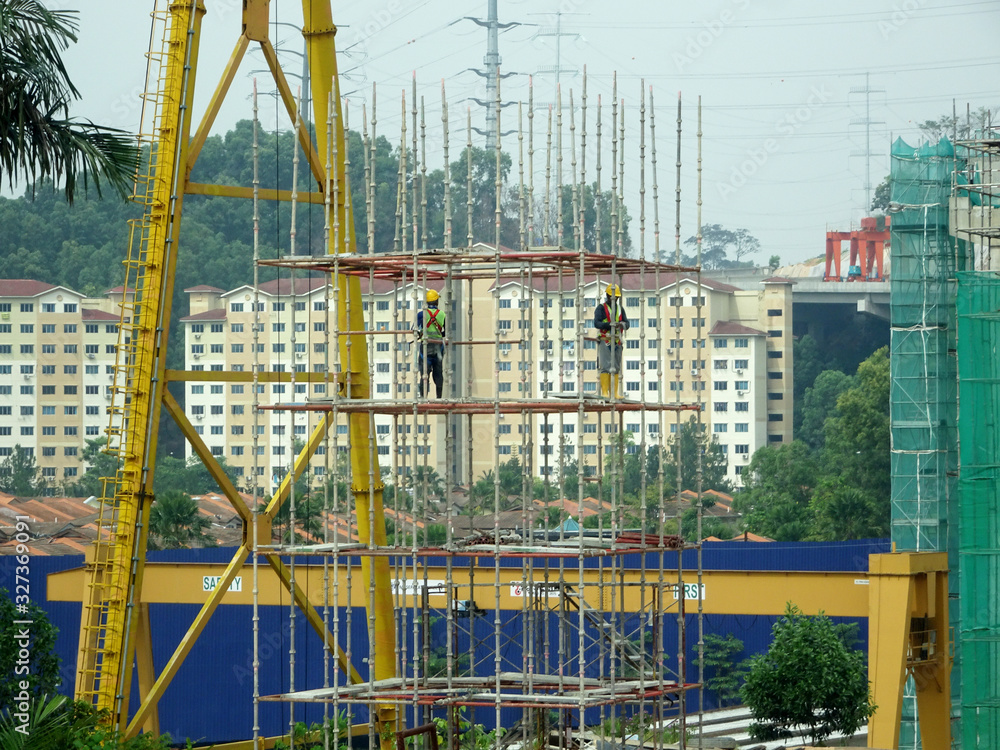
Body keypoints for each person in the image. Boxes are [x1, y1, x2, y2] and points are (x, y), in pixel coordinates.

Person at [593, 283, 629, 398]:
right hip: (605, 340)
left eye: (617, 297)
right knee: (606, 366)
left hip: (617, 341)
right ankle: (605, 392)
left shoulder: (620, 309)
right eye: (613, 296)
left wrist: (622, 325)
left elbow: (627, 323)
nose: (615, 299)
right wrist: (609, 325)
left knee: (616, 366)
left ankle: (614, 392)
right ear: (608, 296)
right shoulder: (601, 308)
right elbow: (597, 323)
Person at [415, 288, 446, 398]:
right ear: (437, 301)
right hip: (438, 347)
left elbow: (414, 329)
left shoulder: (421, 314)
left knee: (424, 374)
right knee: (438, 374)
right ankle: (439, 398)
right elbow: (445, 332)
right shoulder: (442, 314)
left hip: (426, 347)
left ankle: (423, 398)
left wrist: (421, 334)